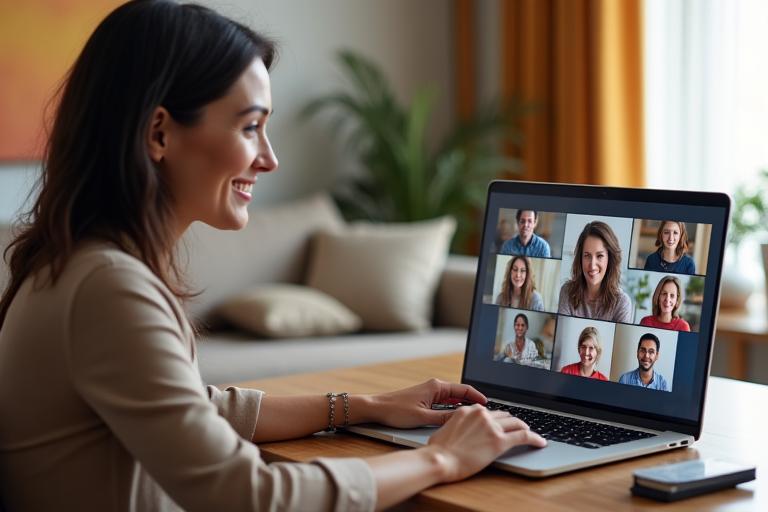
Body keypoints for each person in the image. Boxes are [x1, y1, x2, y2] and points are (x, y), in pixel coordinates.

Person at [0, 2, 546, 510]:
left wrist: (368, 406)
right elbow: (249, 494)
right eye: (250, 127)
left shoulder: (80, 262)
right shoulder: (108, 287)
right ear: (159, 133)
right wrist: (442, 458)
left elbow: (198, 408)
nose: (270, 159)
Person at [557, 221, 632, 322]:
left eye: (599, 256)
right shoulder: (567, 292)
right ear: (580, 259)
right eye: (587, 256)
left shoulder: (622, 302)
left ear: (610, 259)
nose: (592, 265)